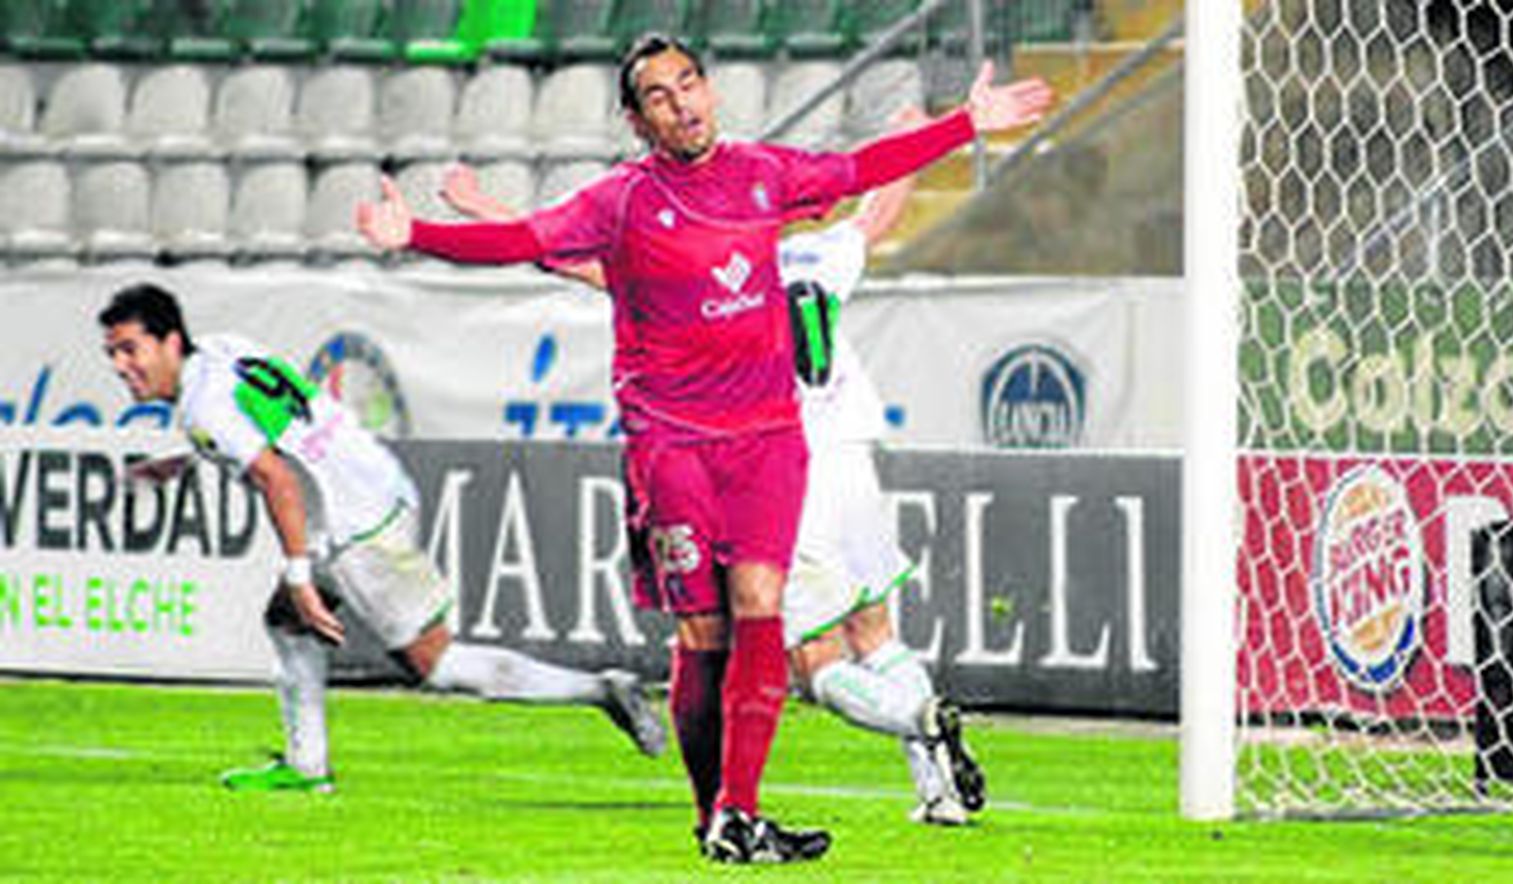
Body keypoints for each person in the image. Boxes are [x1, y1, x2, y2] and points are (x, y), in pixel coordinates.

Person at [357, 33, 1050, 864]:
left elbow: (860, 172)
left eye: (689, 82)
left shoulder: (763, 174)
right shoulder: (621, 201)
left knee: (762, 608)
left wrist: (963, 125)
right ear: (636, 119)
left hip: (769, 442)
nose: (682, 102)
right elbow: (530, 239)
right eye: (659, 94)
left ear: (709, 89)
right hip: (674, 445)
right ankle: (711, 814)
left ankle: (739, 816)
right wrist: (415, 232)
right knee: (704, 637)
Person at [440, 106, 986, 827]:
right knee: (876, 631)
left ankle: (921, 718)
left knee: (815, 662)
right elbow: (877, 209)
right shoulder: (822, 255)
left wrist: (483, 208)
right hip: (851, 451)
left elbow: (576, 259)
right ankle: (939, 790)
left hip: (779, 462)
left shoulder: (694, 266)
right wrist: (913, 137)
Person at [98, 283, 667, 795]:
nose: (122, 365)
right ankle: (306, 765)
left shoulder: (203, 407)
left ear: (170, 341)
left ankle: (602, 690)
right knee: (287, 623)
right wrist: (180, 461)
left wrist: (300, 575)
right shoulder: (224, 350)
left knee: (436, 663)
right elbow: (268, 426)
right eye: (113, 353)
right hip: (372, 484)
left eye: (130, 349)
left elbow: (278, 480)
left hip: (355, 524)